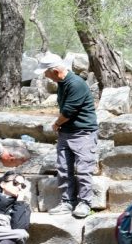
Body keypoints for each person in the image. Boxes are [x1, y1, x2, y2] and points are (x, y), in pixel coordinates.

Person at [37, 52, 98, 219]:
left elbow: (69, 111)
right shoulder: (62, 83)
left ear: (55, 71)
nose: (45, 75)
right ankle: (67, 201)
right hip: (67, 133)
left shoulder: (76, 84)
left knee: (84, 170)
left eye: (46, 72)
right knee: (63, 169)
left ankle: (85, 203)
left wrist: (56, 124)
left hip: (83, 133)